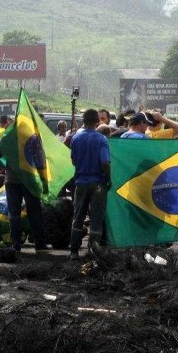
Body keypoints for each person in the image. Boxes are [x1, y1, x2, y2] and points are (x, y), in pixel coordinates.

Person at [69, 109, 111, 260]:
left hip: (80, 182)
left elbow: (73, 160)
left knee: (78, 216)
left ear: (83, 120)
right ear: (97, 121)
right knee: (96, 218)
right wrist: (109, 178)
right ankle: (92, 252)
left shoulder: (75, 138)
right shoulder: (101, 139)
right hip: (98, 183)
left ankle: (73, 251)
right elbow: (105, 162)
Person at [0, 134, 49, 252]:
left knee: (14, 213)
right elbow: (40, 162)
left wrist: (9, 160)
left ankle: (16, 244)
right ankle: (39, 243)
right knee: (34, 211)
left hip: (11, 180)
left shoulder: (7, 137)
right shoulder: (33, 138)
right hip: (29, 181)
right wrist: (44, 182)